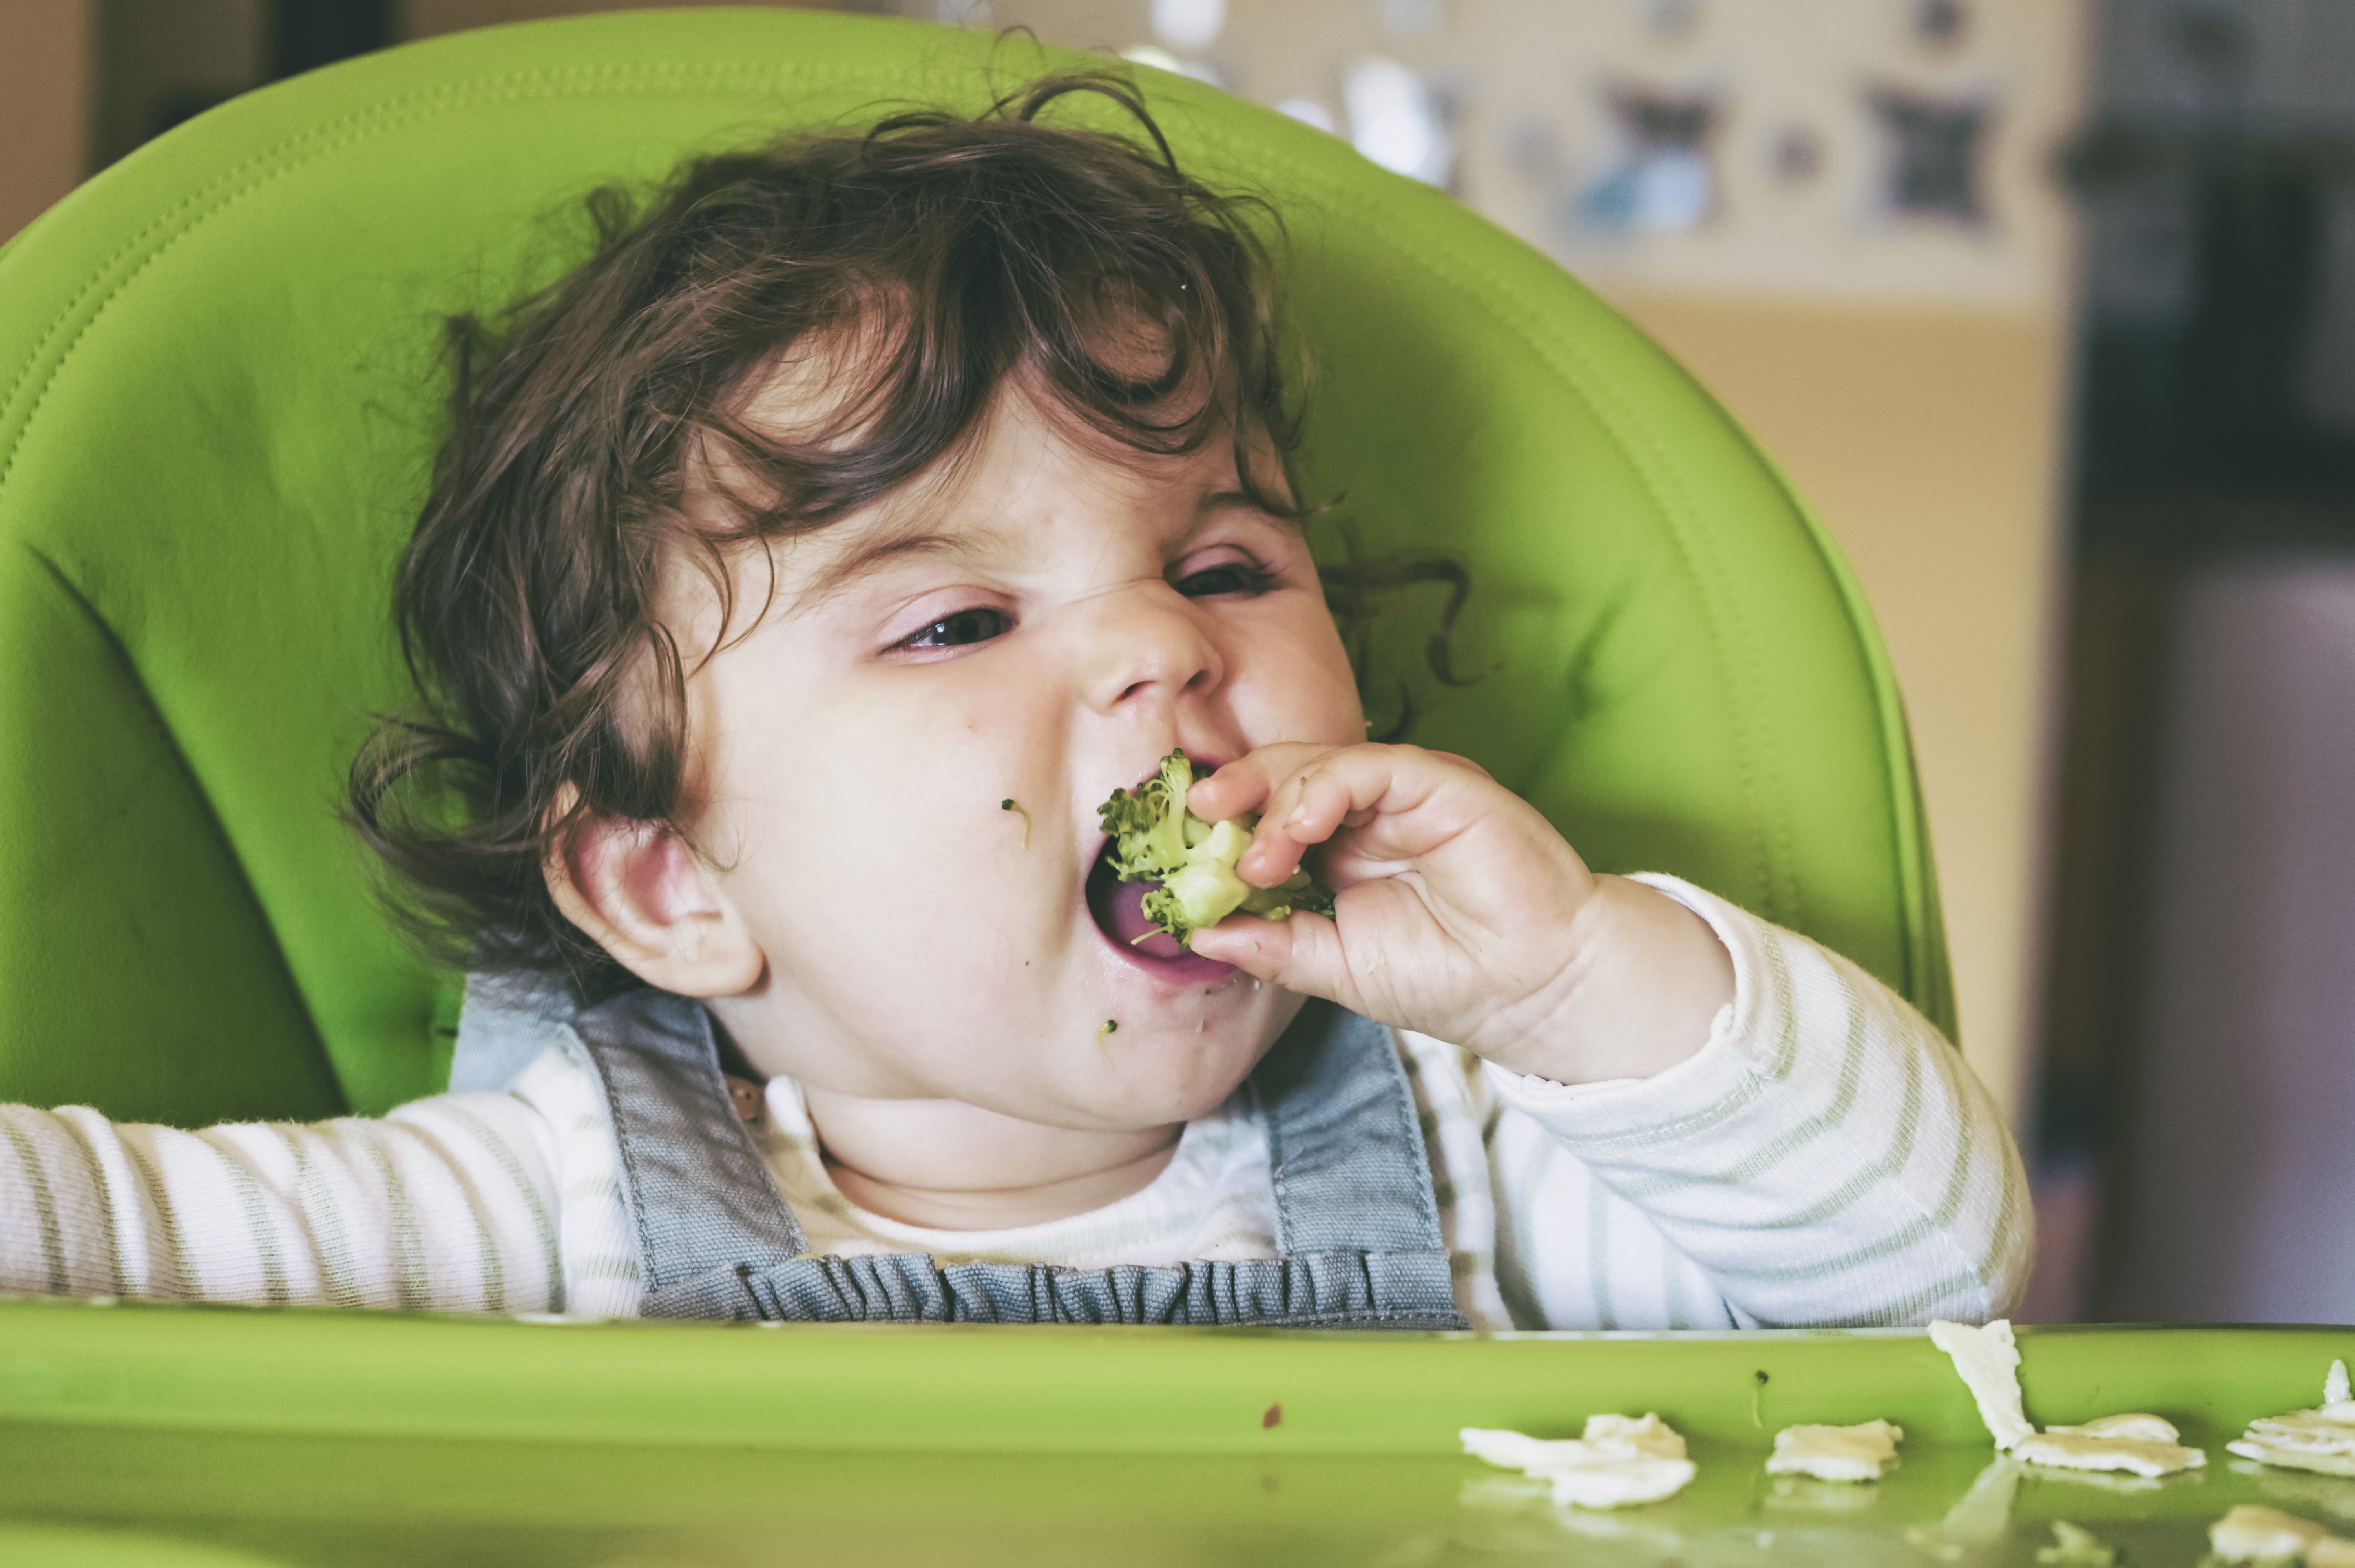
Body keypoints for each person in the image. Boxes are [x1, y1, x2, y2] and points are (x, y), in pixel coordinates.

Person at [0, 77, 2028, 1329]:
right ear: (666, 878)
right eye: (959, 623)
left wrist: (1572, 980)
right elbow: (106, 1224)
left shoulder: (1491, 1172)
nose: (1162, 648)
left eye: (1225, 565)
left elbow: (1927, 1276)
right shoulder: (554, 1216)